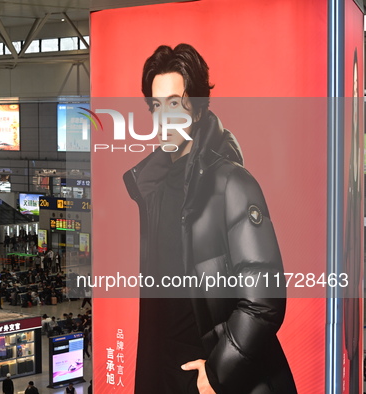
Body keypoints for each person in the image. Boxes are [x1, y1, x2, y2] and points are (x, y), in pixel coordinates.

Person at [125, 44, 296, 393]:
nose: (163, 118)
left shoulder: (232, 183)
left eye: (174, 103)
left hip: (208, 379)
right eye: (156, 106)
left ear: (198, 111)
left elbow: (264, 298)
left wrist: (218, 372)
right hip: (161, 372)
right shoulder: (152, 188)